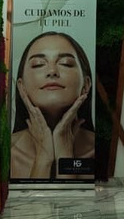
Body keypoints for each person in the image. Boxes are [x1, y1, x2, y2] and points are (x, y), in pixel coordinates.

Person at [10, 30, 95, 180]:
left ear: (86, 85)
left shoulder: (101, 152)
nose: (52, 71)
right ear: (21, 87)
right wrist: (43, 158)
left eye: (66, 63)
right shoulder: (3, 151)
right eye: (38, 64)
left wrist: (65, 155)